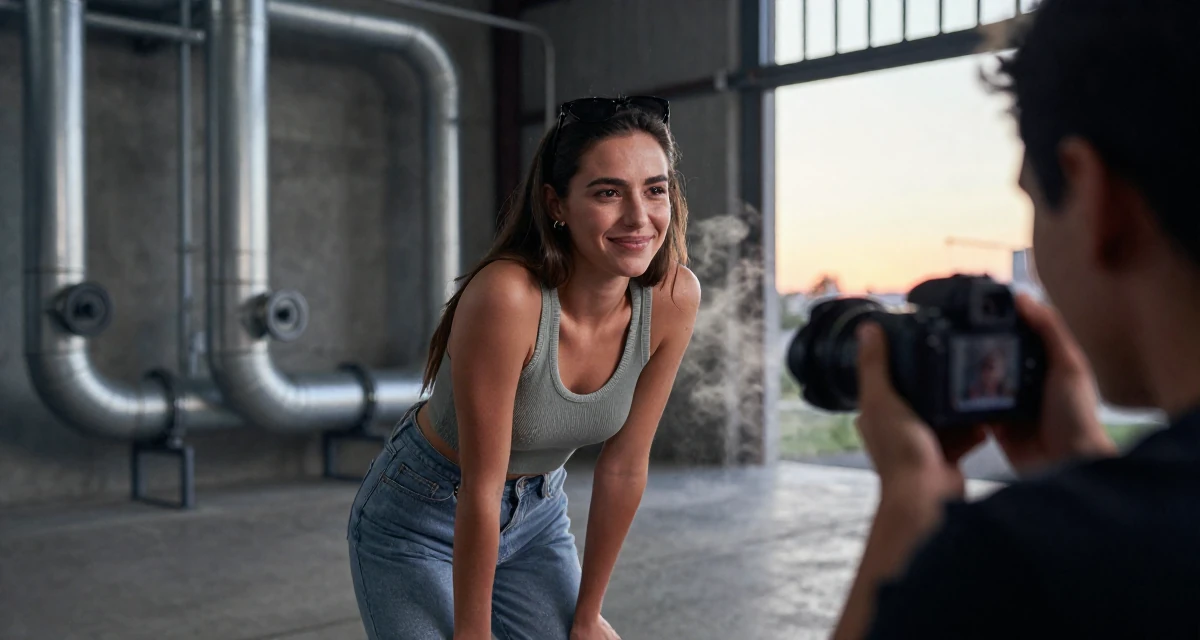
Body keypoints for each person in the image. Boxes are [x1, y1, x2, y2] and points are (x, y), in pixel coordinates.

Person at [832, 1, 1200, 638]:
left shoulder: (1019, 569)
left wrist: (913, 498)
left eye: (1031, 197)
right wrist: (1086, 468)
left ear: (1093, 197)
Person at [346, 95, 701, 640]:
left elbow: (624, 467)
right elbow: (480, 486)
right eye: (608, 192)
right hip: (423, 513)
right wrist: (473, 633)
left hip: (538, 515)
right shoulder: (509, 297)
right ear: (556, 204)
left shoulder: (674, 296)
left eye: (654, 190)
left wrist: (587, 615)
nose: (639, 217)